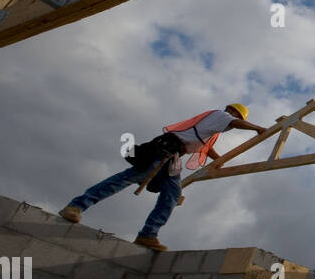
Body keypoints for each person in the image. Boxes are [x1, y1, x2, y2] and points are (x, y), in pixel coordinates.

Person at [58, 104, 267, 251]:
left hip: (174, 156)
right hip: (165, 151)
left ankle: (148, 235)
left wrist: (221, 160)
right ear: (233, 113)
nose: (234, 122)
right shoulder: (221, 116)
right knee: (127, 178)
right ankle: (76, 206)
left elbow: (205, 148)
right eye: (237, 118)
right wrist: (258, 129)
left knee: (172, 194)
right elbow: (237, 124)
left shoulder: (211, 129)